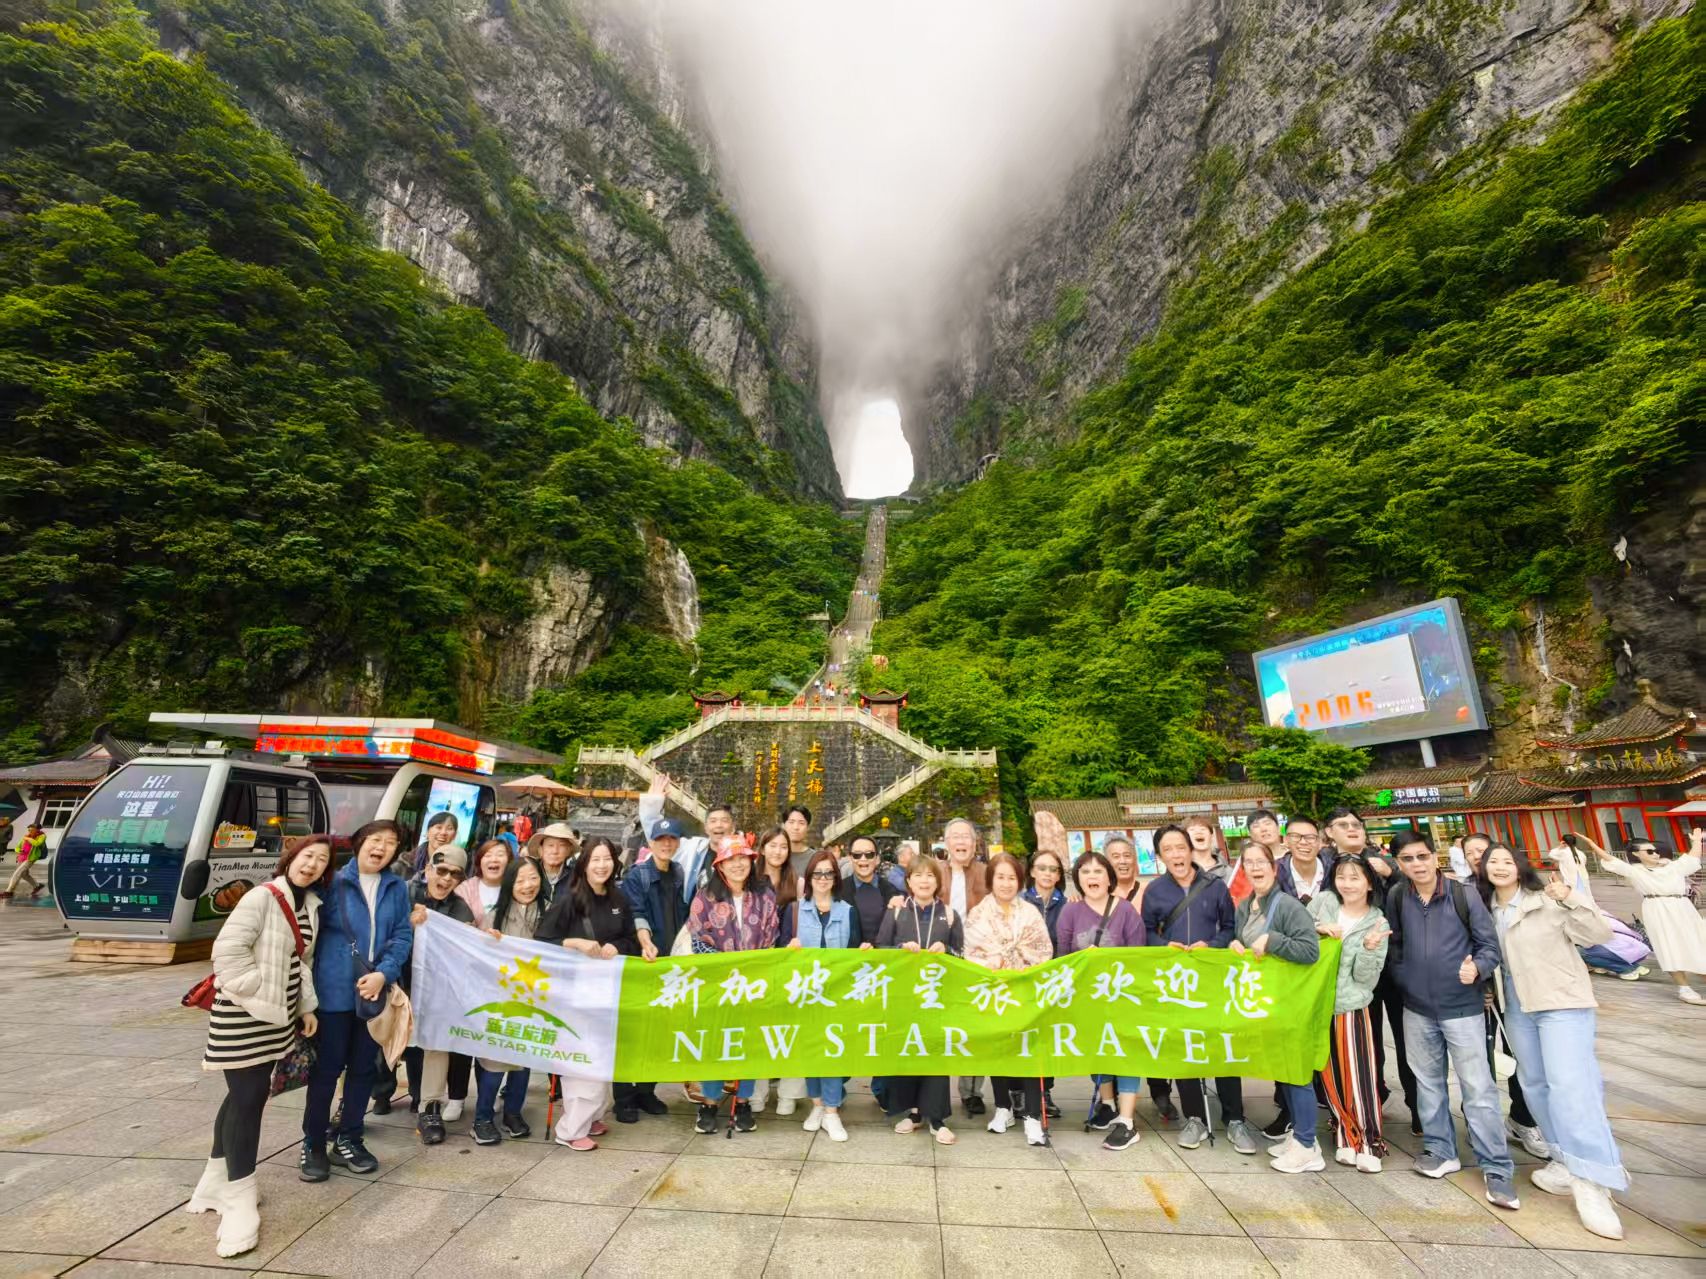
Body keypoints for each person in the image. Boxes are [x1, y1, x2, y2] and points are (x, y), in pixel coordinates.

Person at [1476, 844, 1627, 1237]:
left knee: (1572, 1086)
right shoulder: (1485, 910)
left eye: (1507, 860)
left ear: (1520, 866)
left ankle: (1593, 1180)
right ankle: (1564, 1159)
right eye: (1492, 861)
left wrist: (1573, 898)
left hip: (1561, 1002)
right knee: (1535, 1085)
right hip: (1517, 1007)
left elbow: (1598, 934)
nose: (1500, 866)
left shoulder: (1547, 899)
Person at [193, 834, 329, 1257]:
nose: (312, 865)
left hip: (278, 1018)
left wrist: (305, 1006)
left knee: (241, 1098)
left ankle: (215, 1182)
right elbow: (228, 951)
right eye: (308, 856)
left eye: (322, 861)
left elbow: (300, 962)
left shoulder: (310, 906)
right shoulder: (261, 898)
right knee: (249, 1100)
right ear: (291, 857)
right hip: (243, 1016)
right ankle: (240, 1198)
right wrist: (253, 990)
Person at [1384, 830, 1519, 1209]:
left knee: (1478, 1089)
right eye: (1408, 859)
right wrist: (1403, 976)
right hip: (1417, 1008)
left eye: (1422, 857)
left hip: (1463, 1007)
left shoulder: (1463, 894)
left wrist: (1476, 967)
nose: (1417, 865)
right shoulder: (1398, 896)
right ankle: (1441, 1149)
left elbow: (1489, 946)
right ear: (1399, 864)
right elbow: (1395, 945)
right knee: (1428, 1083)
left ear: (1435, 857)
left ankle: (1497, 1167)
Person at [300, 820, 413, 1182]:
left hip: (374, 994)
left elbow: (401, 933)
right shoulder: (331, 881)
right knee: (327, 1071)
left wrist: (385, 973)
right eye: (375, 840)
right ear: (360, 842)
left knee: (364, 1070)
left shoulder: (396, 887)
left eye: (391, 843)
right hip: (333, 995)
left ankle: (349, 1138)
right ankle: (314, 1143)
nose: (381, 847)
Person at [1140, 824, 1255, 1152]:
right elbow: (1147, 931)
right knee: (1185, 1047)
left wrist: (1213, 944)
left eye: (1180, 847)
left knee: (1223, 1046)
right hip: (1176, 981)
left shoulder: (1214, 886)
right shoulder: (1155, 891)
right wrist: (1165, 946)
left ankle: (1234, 1119)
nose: (1176, 854)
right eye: (1168, 850)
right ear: (1160, 856)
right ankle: (1195, 1118)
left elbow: (1230, 928)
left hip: (1212, 977)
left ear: (1190, 850)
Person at [537, 837, 644, 1150]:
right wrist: (576, 944)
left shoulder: (618, 898)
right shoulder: (569, 900)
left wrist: (619, 946)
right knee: (582, 1062)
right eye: (595, 859)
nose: (602, 865)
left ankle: (593, 1116)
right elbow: (542, 943)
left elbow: (629, 939)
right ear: (584, 864)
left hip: (607, 993)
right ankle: (570, 1130)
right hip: (575, 995)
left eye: (607, 859)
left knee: (602, 1058)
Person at [1228, 842, 1323, 1173]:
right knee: (1284, 1072)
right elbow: (1243, 942)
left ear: (1274, 866)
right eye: (1248, 862)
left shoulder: (1288, 905)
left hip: (1291, 1002)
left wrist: (1274, 941)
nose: (1255, 868)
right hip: (1267, 1003)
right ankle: (1299, 1135)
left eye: (1261, 862)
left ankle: (1309, 1144)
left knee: (1297, 1073)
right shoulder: (1245, 905)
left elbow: (1310, 951)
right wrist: (1235, 944)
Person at [1326, 807, 1416, 1132]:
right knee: (1367, 1041)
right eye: (1343, 825)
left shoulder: (1386, 863)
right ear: (1330, 832)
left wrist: (1391, 873)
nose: (1351, 829)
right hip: (1354, 973)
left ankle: (1417, 1108)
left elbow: (1416, 888)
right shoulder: (1330, 865)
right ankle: (1369, 1098)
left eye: (1356, 825)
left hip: (1394, 965)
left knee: (1407, 1040)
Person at [689, 836, 780, 1134]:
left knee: (748, 1043)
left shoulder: (765, 896)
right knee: (717, 1042)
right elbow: (697, 939)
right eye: (731, 859)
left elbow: (771, 937)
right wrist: (725, 967)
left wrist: (754, 968)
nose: (738, 864)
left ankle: (742, 1102)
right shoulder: (705, 897)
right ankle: (710, 1103)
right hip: (719, 983)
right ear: (720, 865)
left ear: (752, 861)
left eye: (743, 858)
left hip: (753, 982)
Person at [1056, 850, 1145, 1150]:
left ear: (1109, 876)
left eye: (1097, 871)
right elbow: (1063, 955)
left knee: (1125, 1052)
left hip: (1121, 997)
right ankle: (1107, 1104)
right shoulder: (1070, 912)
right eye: (1085, 872)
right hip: (1087, 998)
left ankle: (1127, 1121)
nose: (1091, 877)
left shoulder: (1126, 911)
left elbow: (1138, 956)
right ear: (1077, 880)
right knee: (1098, 1050)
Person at [963, 851, 1053, 1144]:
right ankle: (1002, 1106)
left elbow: (1043, 951)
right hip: (994, 991)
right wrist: (996, 964)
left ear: (1019, 880)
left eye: (1011, 877)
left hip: (1025, 992)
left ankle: (1031, 1115)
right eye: (1000, 877)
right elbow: (971, 954)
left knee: (1027, 1052)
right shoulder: (977, 914)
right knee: (998, 1051)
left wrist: (1020, 962)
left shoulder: (1030, 913)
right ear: (991, 880)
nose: (1005, 883)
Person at [1308, 855, 1390, 1172]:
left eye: (1355, 878)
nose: (1347, 884)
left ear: (1369, 883)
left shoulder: (1377, 922)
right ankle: (1344, 1133)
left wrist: (1369, 950)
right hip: (1317, 1003)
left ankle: (1370, 1141)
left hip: (1352, 1007)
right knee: (1328, 1074)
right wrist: (1317, 927)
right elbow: (1298, 931)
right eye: (1341, 876)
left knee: (1359, 1075)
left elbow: (1367, 979)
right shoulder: (1324, 902)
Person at [875, 853, 962, 1144]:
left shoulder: (949, 914)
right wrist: (901, 947)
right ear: (909, 881)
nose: (924, 881)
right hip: (905, 995)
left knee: (936, 1052)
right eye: (918, 875)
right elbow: (881, 948)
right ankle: (911, 1112)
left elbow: (962, 955)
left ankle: (937, 1118)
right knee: (908, 1049)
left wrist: (946, 950)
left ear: (937, 881)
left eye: (930, 876)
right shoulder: (897, 911)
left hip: (938, 996)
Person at [786, 849, 868, 1141]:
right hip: (805, 994)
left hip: (837, 995)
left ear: (835, 877)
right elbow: (782, 957)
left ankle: (832, 1112)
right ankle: (817, 1105)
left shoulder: (847, 911)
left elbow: (855, 952)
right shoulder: (795, 911)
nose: (823, 878)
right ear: (808, 878)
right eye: (817, 873)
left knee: (832, 1051)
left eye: (828, 873)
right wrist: (790, 949)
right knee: (811, 1050)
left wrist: (863, 952)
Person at [403, 844, 474, 1144]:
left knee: (436, 1044)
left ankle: (429, 1106)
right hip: (397, 983)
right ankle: (348, 1105)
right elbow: (382, 930)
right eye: (441, 871)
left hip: (437, 990)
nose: (445, 879)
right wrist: (409, 922)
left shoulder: (460, 909)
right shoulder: (405, 894)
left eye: (454, 875)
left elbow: (468, 950)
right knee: (372, 1048)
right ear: (429, 868)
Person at [471, 856, 544, 1144]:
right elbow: (478, 959)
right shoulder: (494, 917)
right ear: (510, 883)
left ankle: (513, 1112)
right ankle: (482, 1118)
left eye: (533, 878)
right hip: (500, 1001)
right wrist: (487, 941)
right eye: (521, 879)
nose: (528, 886)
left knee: (524, 1061)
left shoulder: (549, 913)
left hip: (535, 1000)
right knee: (494, 1061)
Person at [1592, 830, 1706, 1003]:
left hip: (1683, 907)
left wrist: (1697, 841)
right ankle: (1684, 989)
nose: (1655, 853)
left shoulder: (1672, 867)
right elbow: (1611, 860)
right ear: (1636, 854)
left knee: (1697, 942)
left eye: (1655, 850)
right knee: (1667, 945)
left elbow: (1692, 858)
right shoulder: (1635, 871)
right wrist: (1592, 844)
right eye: (1649, 851)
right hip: (1657, 908)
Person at [615, 815, 677, 1124]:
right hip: (643, 963)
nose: (666, 845)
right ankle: (624, 1097)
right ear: (651, 843)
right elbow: (635, 912)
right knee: (633, 1033)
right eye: (660, 840)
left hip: (669, 967)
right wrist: (645, 939)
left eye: (671, 840)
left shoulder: (678, 873)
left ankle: (647, 1090)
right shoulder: (637, 876)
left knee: (658, 1034)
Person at [750, 826, 807, 1116]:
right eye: (772, 845)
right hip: (756, 965)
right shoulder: (749, 878)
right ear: (762, 848)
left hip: (786, 963)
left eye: (783, 846)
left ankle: (788, 1093)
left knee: (789, 1029)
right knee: (757, 1030)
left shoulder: (795, 883)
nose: (777, 851)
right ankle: (756, 1091)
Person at [939, 818, 990, 1115]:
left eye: (966, 837)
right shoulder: (935, 872)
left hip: (977, 958)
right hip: (942, 958)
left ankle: (972, 1090)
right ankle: (936, 1091)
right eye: (955, 837)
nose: (961, 842)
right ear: (946, 843)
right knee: (942, 1026)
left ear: (975, 843)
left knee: (975, 1026)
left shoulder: (986, 873)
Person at [637, 771, 731, 905]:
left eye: (724, 820)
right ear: (705, 828)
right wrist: (652, 804)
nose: (719, 825)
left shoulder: (744, 856)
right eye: (713, 821)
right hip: (692, 919)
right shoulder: (692, 848)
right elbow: (659, 838)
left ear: (733, 827)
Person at [455, 838, 513, 928]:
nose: (494, 859)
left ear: (509, 861)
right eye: (488, 855)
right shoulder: (465, 889)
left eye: (500, 855)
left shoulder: (516, 889)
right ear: (480, 861)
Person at [1276, 816, 1334, 904]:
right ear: (1286, 840)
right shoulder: (1275, 872)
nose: (1303, 842)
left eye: (1310, 837)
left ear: (1319, 842)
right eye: (1295, 836)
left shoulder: (1334, 869)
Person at [1021, 850, 1068, 952]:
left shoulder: (1067, 905)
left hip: (1058, 966)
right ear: (1032, 872)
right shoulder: (1019, 903)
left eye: (1053, 869)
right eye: (1042, 868)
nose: (1047, 873)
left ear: (1058, 876)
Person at [527, 821, 579, 903]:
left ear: (569, 850)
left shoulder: (577, 878)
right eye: (550, 845)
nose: (555, 851)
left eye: (561, 845)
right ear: (540, 850)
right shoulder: (528, 874)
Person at [403, 811, 459, 881]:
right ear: (428, 832)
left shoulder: (457, 866)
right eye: (439, 827)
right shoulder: (406, 861)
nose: (443, 832)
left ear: (454, 835)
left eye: (449, 829)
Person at [1, 823, 47, 899]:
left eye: (31, 829)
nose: (29, 831)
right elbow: (17, 847)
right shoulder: (26, 837)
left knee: (17, 873)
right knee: (24, 875)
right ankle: (37, 886)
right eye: (29, 829)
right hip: (22, 858)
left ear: (37, 830)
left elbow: (37, 844)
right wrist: (19, 850)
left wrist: (28, 839)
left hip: (30, 858)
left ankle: (9, 892)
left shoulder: (42, 836)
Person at [783, 804, 817, 880]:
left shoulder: (815, 858)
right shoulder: (775, 855)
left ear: (807, 827)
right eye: (791, 822)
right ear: (784, 825)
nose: (796, 827)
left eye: (801, 823)